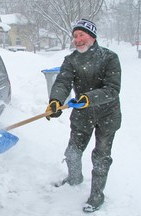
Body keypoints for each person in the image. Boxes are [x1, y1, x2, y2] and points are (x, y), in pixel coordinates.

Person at [45, 18, 122, 213]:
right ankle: (74, 178)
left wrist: (88, 98)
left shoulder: (109, 57)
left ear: (92, 37)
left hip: (107, 115)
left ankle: (97, 195)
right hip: (82, 114)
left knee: (101, 157)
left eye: (81, 35)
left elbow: (112, 89)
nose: (77, 40)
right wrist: (55, 101)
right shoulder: (71, 60)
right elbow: (63, 82)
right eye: (75, 36)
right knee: (73, 151)